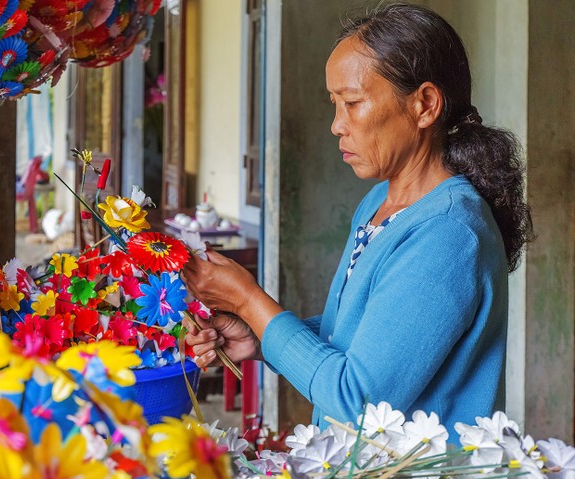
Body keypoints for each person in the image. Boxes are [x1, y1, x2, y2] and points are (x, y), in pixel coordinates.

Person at [182, 3, 532, 441]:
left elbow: (360, 400)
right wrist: (258, 336)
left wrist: (251, 302)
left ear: (424, 104)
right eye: (335, 104)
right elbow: (359, 338)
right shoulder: (377, 204)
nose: (336, 125)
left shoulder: (448, 233)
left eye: (352, 103)